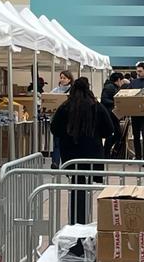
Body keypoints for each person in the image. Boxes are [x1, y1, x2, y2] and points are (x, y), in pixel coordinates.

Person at [50, 77, 117, 224]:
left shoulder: (65, 107)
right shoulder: (96, 106)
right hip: (92, 154)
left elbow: (54, 128)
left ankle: (76, 222)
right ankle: (84, 221)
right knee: (87, 187)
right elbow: (109, 129)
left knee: (76, 187)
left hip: (71, 156)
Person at [100, 73, 124, 158]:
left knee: (115, 134)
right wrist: (116, 103)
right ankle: (106, 153)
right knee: (113, 134)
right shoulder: (109, 87)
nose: (122, 82)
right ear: (118, 80)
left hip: (112, 114)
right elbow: (104, 99)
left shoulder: (113, 87)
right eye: (122, 80)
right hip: (110, 114)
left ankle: (106, 152)